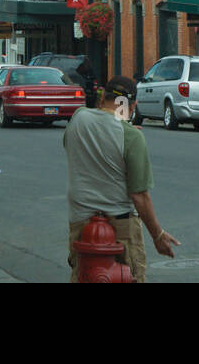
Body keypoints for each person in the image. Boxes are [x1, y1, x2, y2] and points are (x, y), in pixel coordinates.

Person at [63, 75, 179, 282]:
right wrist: (158, 236)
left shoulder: (78, 118)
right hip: (121, 228)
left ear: (102, 98)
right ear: (131, 106)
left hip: (81, 223)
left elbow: (77, 142)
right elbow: (140, 195)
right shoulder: (132, 137)